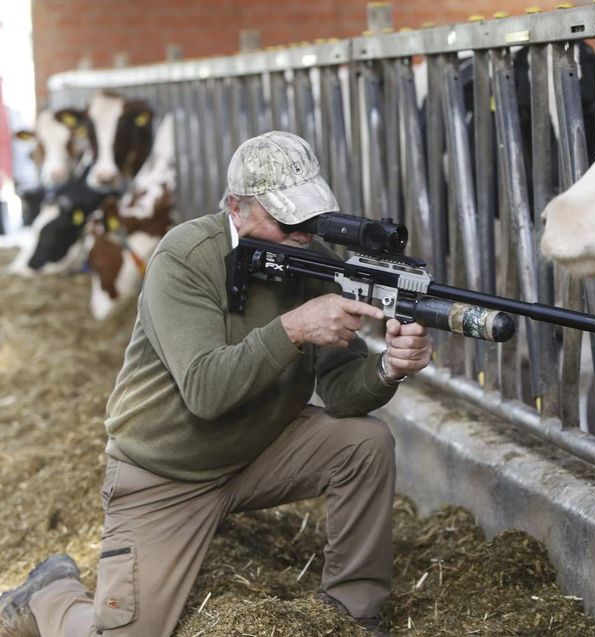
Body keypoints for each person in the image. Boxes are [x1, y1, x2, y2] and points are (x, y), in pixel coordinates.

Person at [0, 131, 432, 637]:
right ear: (235, 207)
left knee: (365, 441)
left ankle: (354, 615)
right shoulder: (185, 256)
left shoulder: (310, 261)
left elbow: (340, 389)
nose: (301, 232)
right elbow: (205, 392)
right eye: (285, 218)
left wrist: (388, 368)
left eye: (309, 217)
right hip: (165, 473)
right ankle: (50, 594)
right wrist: (294, 327)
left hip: (257, 451)